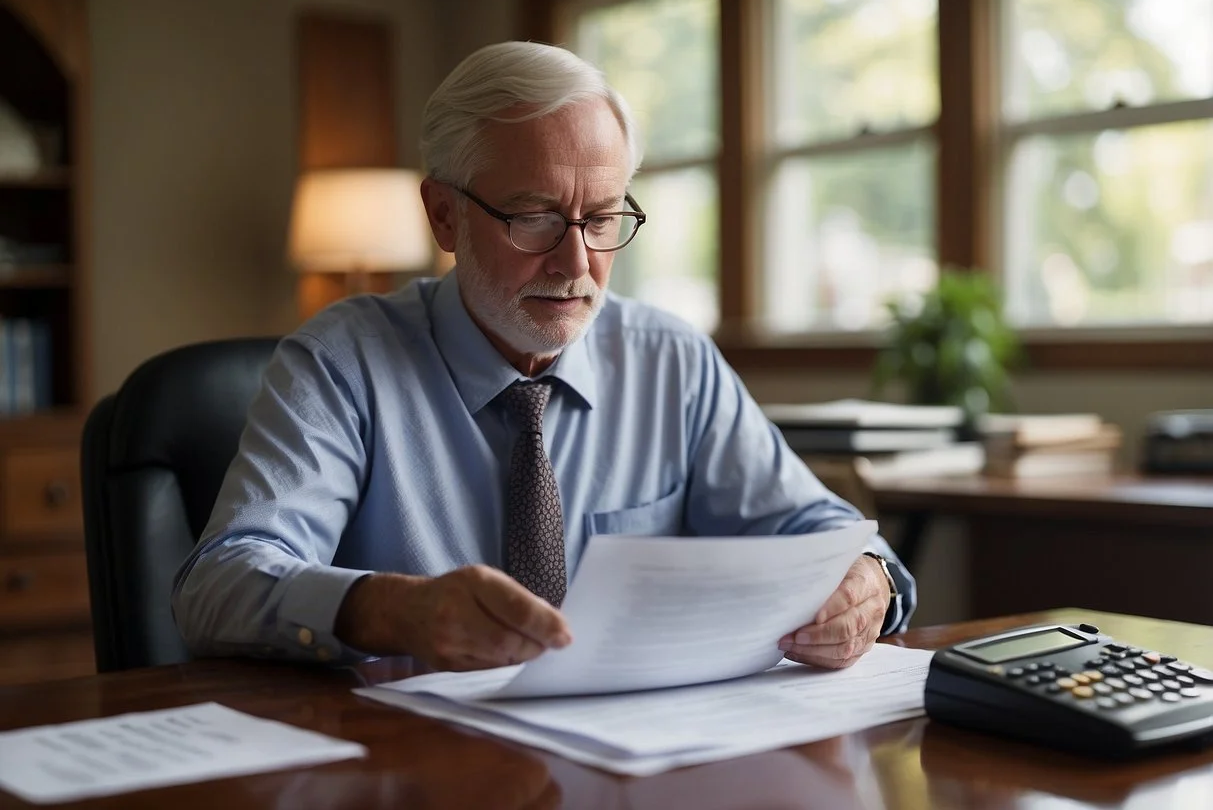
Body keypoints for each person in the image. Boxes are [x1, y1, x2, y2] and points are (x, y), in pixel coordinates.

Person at [171, 40, 916, 674]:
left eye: (600, 218)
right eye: (533, 218)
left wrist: (867, 582)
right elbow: (218, 584)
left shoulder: (670, 362)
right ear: (444, 215)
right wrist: (392, 610)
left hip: (633, 760)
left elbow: (820, 530)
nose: (576, 261)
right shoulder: (341, 363)